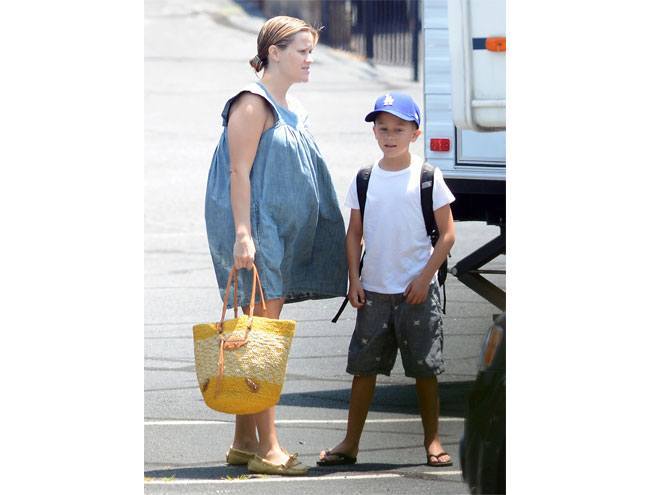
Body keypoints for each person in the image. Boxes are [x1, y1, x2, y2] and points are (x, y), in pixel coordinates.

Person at [204, 16, 347, 476]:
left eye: (312, 52)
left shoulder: (292, 107)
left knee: (255, 340)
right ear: (274, 52)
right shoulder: (252, 103)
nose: (310, 60)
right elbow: (237, 172)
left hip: (282, 235)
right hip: (259, 233)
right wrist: (244, 235)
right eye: (303, 51)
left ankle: (244, 441)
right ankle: (269, 449)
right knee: (263, 343)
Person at [317, 93, 456, 468]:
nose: (389, 135)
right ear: (374, 131)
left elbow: (447, 235)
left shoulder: (428, 177)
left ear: (415, 133)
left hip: (417, 292)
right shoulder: (365, 178)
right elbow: (353, 234)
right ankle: (350, 443)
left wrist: (425, 279)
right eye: (382, 128)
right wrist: (354, 280)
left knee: (425, 370)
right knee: (363, 369)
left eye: (398, 129)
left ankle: (433, 441)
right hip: (374, 291)